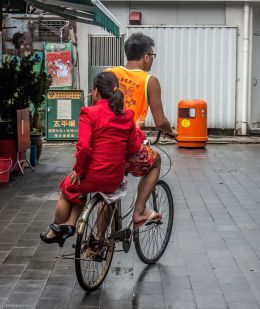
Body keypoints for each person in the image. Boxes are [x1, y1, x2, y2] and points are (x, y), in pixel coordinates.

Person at [40, 71, 145, 247]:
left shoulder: (89, 113)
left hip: (93, 175)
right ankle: (72, 224)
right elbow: (133, 147)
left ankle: (57, 228)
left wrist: (79, 171)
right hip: (114, 178)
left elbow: (84, 148)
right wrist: (138, 129)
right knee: (84, 190)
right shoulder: (127, 116)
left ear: (95, 91)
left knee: (67, 188)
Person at [107, 33, 177, 228]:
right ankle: (139, 211)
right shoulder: (149, 80)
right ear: (146, 56)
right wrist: (171, 131)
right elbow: (160, 120)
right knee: (156, 161)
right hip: (128, 145)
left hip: (103, 145)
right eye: (152, 56)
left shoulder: (109, 73)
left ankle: (97, 240)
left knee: (108, 191)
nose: (152, 60)